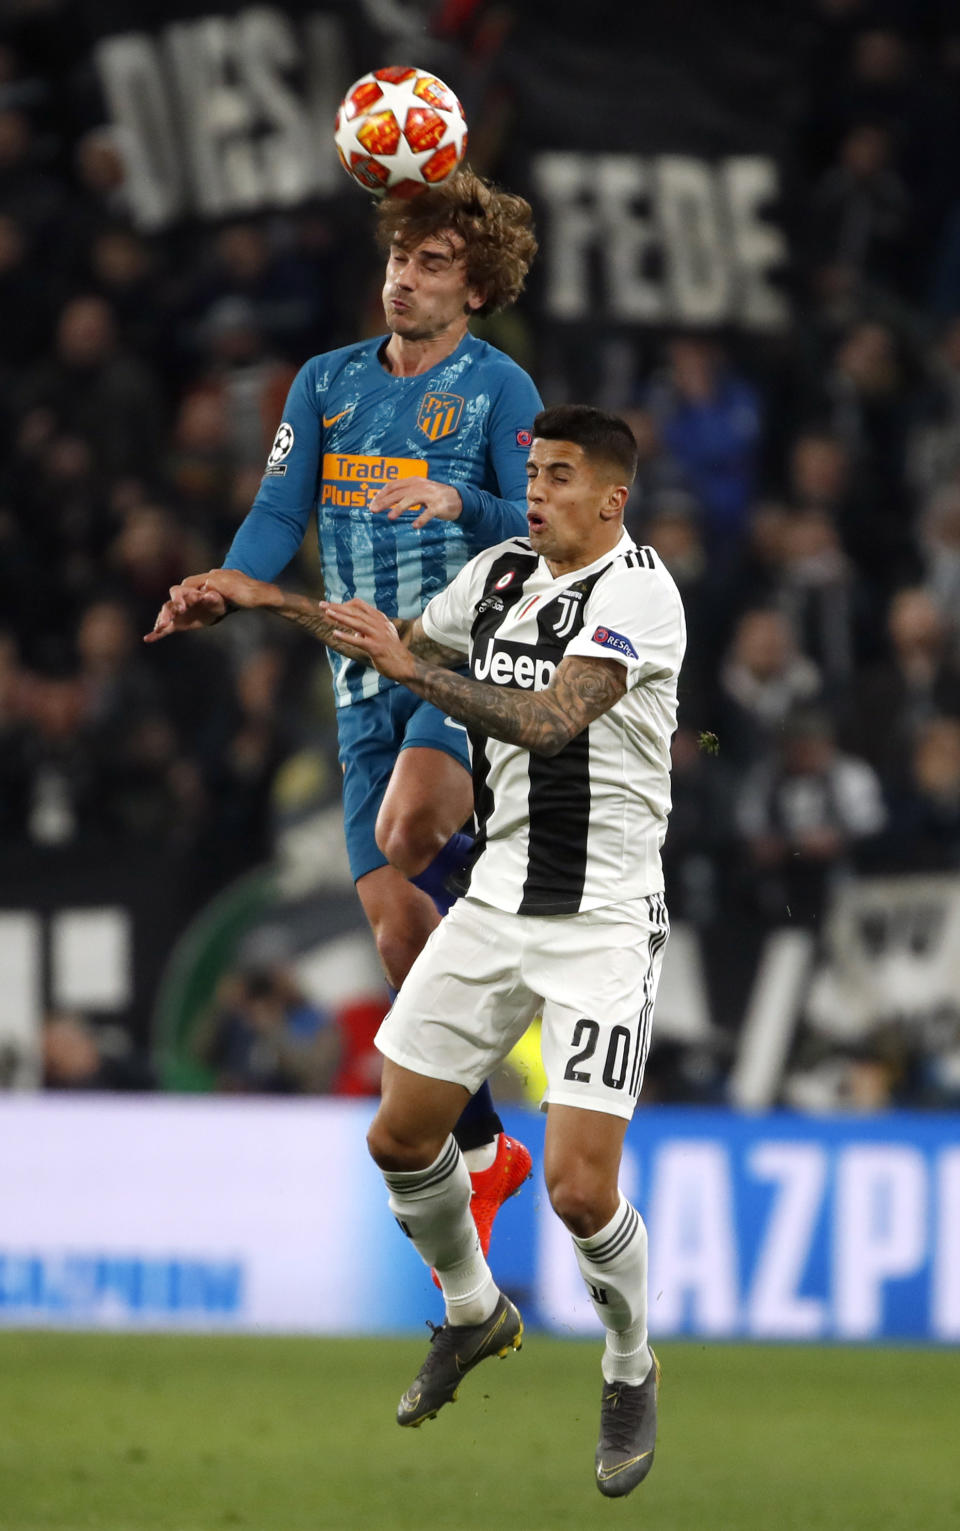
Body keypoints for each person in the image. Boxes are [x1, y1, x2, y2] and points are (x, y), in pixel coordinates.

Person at [194, 404, 686, 1499]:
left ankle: (628, 1363)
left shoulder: (642, 593)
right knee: (400, 1136)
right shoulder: (503, 575)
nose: (539, 492)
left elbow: (554, 722)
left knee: (575, 1189)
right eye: (536, 472)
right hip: (499, 897)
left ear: (612, 497)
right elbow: (394, 639)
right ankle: (472, 1310)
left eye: (560, 477)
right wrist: (256, 598)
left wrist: (411, 675)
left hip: (603, 921)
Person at [144, 171, 540, 1254]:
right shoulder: (323, 382)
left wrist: (463, 497)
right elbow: (279, 512)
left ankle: (525, 903)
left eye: (431, 264)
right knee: (401, 937)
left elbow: (544, 527)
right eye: (397, 260)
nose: (402, 280)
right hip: (359, 677)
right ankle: (487, 1139)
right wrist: (225, 582)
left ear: (478, 285)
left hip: (458, 659)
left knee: (413, 828)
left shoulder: (501, 392)